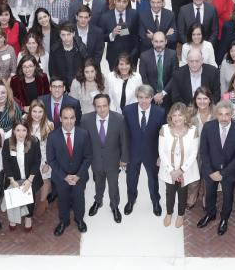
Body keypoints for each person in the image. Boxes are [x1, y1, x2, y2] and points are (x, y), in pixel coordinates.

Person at [198, 101, 235, 235]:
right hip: (210, 170)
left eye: (227, 114)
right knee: (210, 194)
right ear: (216, 114)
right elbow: (203, 151)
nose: (224, 118)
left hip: (229, 173)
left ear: (232, 114)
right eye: (221, 114)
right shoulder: (208, 127)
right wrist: (210, 171)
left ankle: (224, 218)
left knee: (228, 196)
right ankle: (210, 214)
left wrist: (222, 173)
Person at [46, 105, 93, 236]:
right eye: (65, 118)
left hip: (80, 176)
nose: (69, 121)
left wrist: (78, 175)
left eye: (72, 118)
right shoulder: (53, 136)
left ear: (75, 118)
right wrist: (65, 177)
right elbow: (51, 159)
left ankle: (79, 219)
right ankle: (64, 221)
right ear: (60, 119)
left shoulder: (84, 134)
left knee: (79, 199)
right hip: (61, 178)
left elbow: (88, 157)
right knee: (63, 200)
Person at [82, 94, 129, 223]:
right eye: (99, 106)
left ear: (109, 105)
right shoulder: (85, 120)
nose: (102, 109)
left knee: (113, 185)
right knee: (98, 183)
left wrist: (124, 158)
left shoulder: (119, 119)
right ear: (94, 107)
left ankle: (114, 206)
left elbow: (124, 141)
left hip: (113, 160)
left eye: (104, 106)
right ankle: (98, 201)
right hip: (95, 159)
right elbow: (83, 141)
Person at [122, 84, 166, 216]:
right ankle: (131, 200)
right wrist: (123, 155)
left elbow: (162, 136)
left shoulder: (160, 112)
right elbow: (124, 134)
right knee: (131, 178)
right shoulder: (128, 110)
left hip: (152, 153)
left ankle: (155, 202)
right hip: (133, 152)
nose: (144, 101)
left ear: (152, 97)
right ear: (137, 97)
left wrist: (160, 155)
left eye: (147, 97)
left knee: (153, 179)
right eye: (141, 97)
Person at [158, 102, 199, 228]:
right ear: (170, 116)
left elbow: (194, 153)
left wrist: (181, 170)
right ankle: (169, 213)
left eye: (180, 115)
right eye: (174, 115)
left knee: (183, 192)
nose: (177, 118)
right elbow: (161, 152)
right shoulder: (164, 129)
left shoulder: (193, 131)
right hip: (168, 170)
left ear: (185, 116)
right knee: (169, 192)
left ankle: (180, 214)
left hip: (185, 170)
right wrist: (172, 171)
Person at [2, 121, 43, 231]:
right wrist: (12, 180)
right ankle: (13, 218)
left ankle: (28, 218)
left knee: (30, 198)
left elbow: (37, 161)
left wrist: (29, 180)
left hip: (30, 177)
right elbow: (6, 162)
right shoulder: (7, 143)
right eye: (18, 130)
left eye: (24, 130)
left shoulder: (34, 142)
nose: (21, 133)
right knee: (15, 197)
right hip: (14, 178)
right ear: (14, 131)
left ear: (27, 131)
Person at [24, 100, 55, 215]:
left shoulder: (49, 125)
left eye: (40, 112)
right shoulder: (24, 121)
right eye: (34, 111)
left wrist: (48, 163)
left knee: (45, 179)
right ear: (30, 112)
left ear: (44, 112)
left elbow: (52, 146)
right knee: (28, 178)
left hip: (44, 157)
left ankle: (43, 201)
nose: (37, 114)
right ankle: (27, 201)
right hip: (28, 157)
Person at [100, 0, 140, 70]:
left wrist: (135, 52)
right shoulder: (105, 17)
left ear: (128, 2)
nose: (121, 4)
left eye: (124, 1)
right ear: (114, 1)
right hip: (113, 57)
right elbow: (101, 37)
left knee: (131, 81)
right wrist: (112, 34)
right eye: (119, 1)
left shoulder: (134, 14)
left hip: (131, 56)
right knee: (115, 81)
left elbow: (137, 34)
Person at [188, 87, 214, 208]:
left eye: (205, 98)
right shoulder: (190, 115)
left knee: (208, 177)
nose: (202, 101)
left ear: (210, 100)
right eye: (199, 98)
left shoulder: (216, 115)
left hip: (211, 153)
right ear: (195, 100)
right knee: (194, 176)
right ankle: (193, 194)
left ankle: (205, 195)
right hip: (194, 152)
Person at [138, 31, 178, 108]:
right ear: (152, 42)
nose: (158, 44)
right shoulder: (144, 56)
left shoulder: (172, 54)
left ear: (166, 41)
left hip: (168, 96)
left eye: (161, 41)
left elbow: (174, 76)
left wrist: (162, 93)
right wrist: (154, 95)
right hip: (150, 97)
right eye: (156, 41)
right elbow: (144, 77)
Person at [49, 23, 87, 87]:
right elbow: (52, 71)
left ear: (73, 34)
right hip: (62, 87)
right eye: (63, 35)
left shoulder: (81, 48)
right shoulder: (54, 50)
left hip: (79, 85)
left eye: (68, 34)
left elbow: (85, 68)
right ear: (60, 35)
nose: (66, 38)